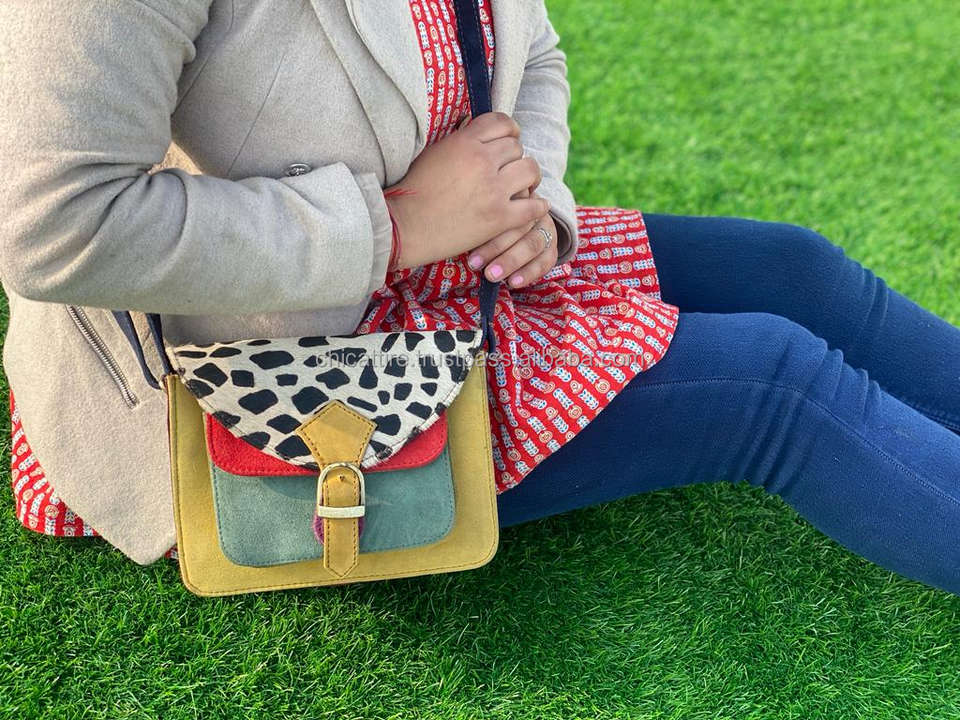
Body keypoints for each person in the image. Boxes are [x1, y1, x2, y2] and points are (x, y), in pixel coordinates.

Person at [1, 0, 959, 595]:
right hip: (276, 368)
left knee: (793, 268)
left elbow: (532, 51)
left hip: (462, 257)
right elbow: (54, 222)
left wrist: (531, 202)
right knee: (774, 388)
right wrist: (397, 228)